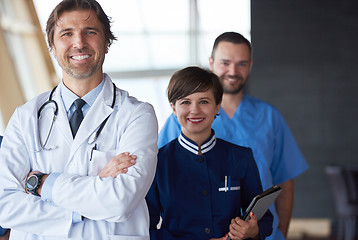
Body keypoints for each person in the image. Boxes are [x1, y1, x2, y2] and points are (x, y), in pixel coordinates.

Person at [0, 0, 158, 239]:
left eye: (90, 32)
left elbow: (121, 201)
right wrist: (95, 186)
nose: (79, 43)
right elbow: (5, 205)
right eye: (66, 33)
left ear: (107, 42)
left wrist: (42, 183)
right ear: (52, 46)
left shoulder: (137, 115)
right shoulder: (26, 117)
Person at [157, 32, 309, 240]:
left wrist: (279, 232)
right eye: (225, 62)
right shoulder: (178, 126)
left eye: (241, 64)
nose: (233, 71)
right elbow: (156, 183)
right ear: (211, 63)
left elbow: (285, 180)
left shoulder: (268, 117)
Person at [146, 66, 273, 240]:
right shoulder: (157, 162)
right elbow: (146, 228)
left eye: (204, 101)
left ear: (217, 107)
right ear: (174, 109)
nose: (195, 110)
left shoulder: (241, 157)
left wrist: (253, 230)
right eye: (185, 102)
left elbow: (263, 219)